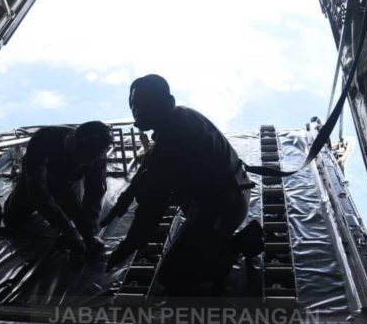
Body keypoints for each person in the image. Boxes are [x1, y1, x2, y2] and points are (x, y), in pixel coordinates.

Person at [105, 74, 261, 295]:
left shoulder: (174, 139)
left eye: (143, 104)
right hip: (224, 195)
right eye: (133, 105)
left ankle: (239, 244)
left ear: (166, 103)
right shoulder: (180, 117)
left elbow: (151, 208)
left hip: (224, 206)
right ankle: (211, 240)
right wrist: (126, 197)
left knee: (173, 277)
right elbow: (149, 164)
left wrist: (128, 246)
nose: (137, 111)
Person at [3, 121, 113, 253]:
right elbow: (37, 190)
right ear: (73, 143)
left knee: (77, 217)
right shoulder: (44, 139)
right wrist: (68, 229)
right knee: (12, 219)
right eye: (82, 158)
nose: (86, 163)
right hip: (35, 179)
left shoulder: (97, 155)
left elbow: (95, 191)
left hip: (68, 185)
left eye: (90, 160)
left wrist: (90, 233)